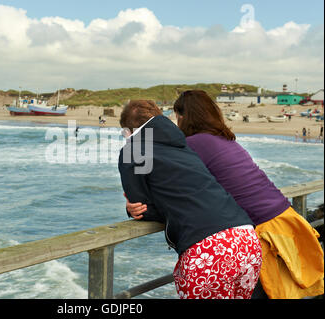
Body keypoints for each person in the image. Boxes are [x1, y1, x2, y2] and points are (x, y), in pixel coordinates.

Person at [127, 91, 324, 299]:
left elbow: (174, 193)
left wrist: (139, 206)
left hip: (263, 232)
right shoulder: (225, 140)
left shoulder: (193, 145)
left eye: (177, 117)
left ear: (183, 116)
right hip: (285, 221)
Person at [118, 100, 262, 299]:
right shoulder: (181, 145)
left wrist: (132, 209)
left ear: (128, 130)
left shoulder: (133, 150)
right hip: (246, 240)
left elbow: (143, 208)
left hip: (209, 251)